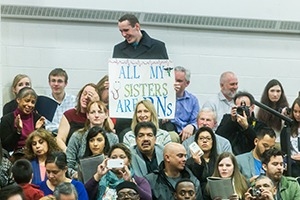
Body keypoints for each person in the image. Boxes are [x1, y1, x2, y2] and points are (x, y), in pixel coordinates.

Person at [113, 13, 169, 136]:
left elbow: (165, 75)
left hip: (150, 110)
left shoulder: (158, 47)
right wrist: (112, 83)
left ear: (137, 26)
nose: (124, 35)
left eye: (126, 30)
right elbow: (118, 76)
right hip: (127, 114)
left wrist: (171, 85)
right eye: (121, 31)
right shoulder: (118, 49)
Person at [66, 100, 118, 179]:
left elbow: (115, 163)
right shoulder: (77, 136)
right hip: (80, 178)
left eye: (100, 112)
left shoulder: (113, 137)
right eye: (92, 112)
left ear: (106, 115)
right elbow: (68, 164)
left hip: (107, 178)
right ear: (87, 115)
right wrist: (77, 175)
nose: (96, 115)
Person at [84, 143, 152, 200]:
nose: (118, 160)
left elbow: (148, 199)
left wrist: (130, 182)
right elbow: (83, 195)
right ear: (108, 160)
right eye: (114, 157)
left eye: (122, 157)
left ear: (129, 161)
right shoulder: (101, 180)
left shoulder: (139, 181)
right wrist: (98, 175)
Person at [216, 91, 267, 155]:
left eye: (245, 108)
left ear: (252, 107)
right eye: (239, 108)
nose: (243, 110)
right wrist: (232, 121)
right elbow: (218, 138)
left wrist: (247, 127)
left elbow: (259, 143)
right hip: (230, 157)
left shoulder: (260, 125)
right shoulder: (227, 119)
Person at [56, 83, 100, 152]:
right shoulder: (69, 115)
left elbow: (110, 127)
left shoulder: (98, 116)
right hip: (71, 153)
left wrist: (96, 104)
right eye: (84, 94)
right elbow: (60, 139)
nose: (86, 97)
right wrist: (67, 151)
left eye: (90, 96)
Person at [0, 87, 45, 152]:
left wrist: (37, 130)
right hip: (15, 155)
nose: (30, 105)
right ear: (18, 100)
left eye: (33, 102)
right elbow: (6, 146)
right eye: (27, 101)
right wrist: (18, 131)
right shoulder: (7, 119)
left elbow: (43, 144)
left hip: (34, 153)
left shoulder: (37, 118)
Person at [162, 66, 200, 142]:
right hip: (167, 131)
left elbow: (196, 120)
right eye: (173, 80)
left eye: (179, 81)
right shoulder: (161, 98)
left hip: (186, 132)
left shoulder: (193, 100)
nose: (175, 83)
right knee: (172, 137)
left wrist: (192, 126)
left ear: (187, 83)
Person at [186, 126, 218, 193]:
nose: (204, 141)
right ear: (196, 142)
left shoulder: (219, 160)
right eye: (201, 138)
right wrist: (197, 164)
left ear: (213, 142)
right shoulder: (189, 162)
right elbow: (193, 182)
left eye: (208, 138)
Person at [257, 79, 289, 146]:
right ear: (267, 92)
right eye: (272, 91)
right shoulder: (259, 109)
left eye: (278, 91)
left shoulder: (286, 109)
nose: (275, 94)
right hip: (265, 143)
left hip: (281, 143)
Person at [45, 68, 76, 133]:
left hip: (69, 136)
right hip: (50, 137)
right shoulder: (44, 102)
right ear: (49, 83)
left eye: (59, 81)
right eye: (53, 81)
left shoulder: (74, 101)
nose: (56, 84)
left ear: (66, 83)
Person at [281, 97, 300, 177]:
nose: (297, 115)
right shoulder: (287, 128)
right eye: (295, 111)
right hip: (292, 163)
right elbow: (284, 151)